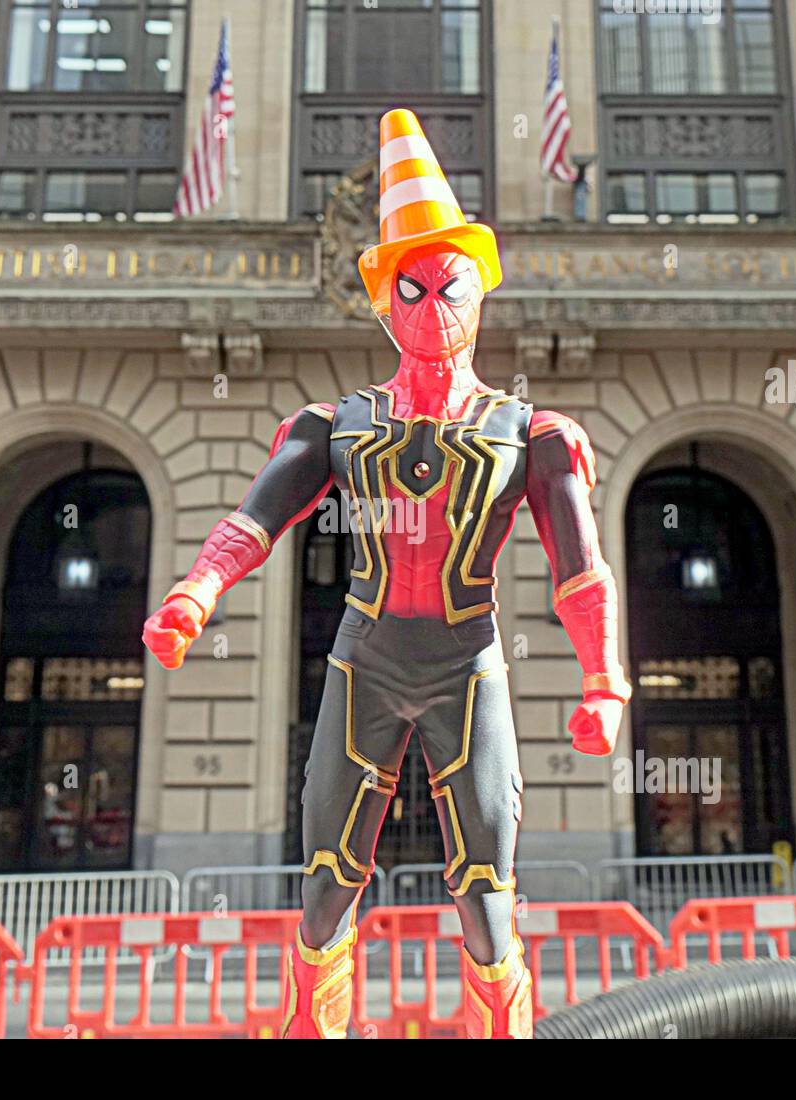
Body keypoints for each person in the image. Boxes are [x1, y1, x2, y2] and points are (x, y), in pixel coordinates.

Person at [143, 109, 631, 1039]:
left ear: (481, 288)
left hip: (467, 659)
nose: (432, 306)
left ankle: (505, 1029)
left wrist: (606, 680)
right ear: (381, 300)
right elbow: (257, 517)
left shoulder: (533, 436)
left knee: (488, 889)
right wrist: (194, 592)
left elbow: (582, 569)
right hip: (365, 656)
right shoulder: (332, 425)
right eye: (411, 287)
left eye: (449, 284)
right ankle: (313, 1028)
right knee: (327, 882)